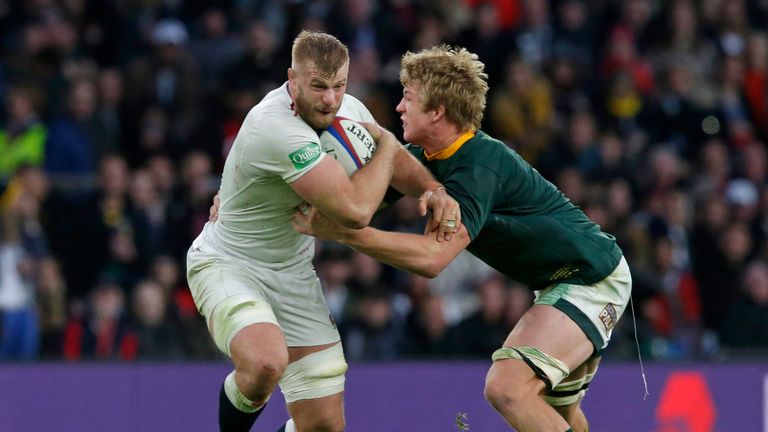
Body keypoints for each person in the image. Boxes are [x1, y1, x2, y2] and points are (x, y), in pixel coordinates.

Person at [292, 45, 632, 432]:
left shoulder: (478, 164)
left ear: (437, 111)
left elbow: (431, 260)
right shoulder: (425, 158)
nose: (399, 108)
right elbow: (357, 202)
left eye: (408, 98)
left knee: (507, 388)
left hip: (589, 278)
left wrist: (350, 235)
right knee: (559, 415)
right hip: (563, 284)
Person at [186, 31, 459, 432]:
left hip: (294, 274)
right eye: (317, 86)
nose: (330, 99)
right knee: (266, 363)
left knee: (322, 427)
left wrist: (434, 190)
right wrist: (385, 145)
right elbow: (353, 211)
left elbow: (397, 164)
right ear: (292, 79)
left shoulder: (347, 108)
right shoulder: (275, 126)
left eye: (339, 86)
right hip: (231, 263)